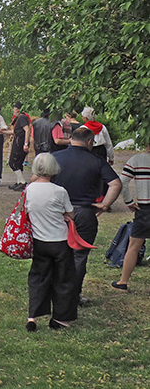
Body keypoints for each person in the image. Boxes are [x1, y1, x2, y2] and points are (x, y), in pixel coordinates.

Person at [52, 127, 121, 306]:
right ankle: (72, 296)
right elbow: (115, 184)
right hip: (84, 212)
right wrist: (105, 204)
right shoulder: (97, 161)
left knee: (56, 253)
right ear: (90, 142)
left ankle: (54, 292)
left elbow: (37, 179)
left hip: (58, 213)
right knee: (79, 256)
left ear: (71, 139)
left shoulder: (56, 158)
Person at [24, 153, 76, 331]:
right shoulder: (59, 191)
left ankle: (33, 316)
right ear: (54, 169)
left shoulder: (28, 190)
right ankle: (60, 318)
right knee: (63, 279)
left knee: (38, 277)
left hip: (39, 241)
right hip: (60, 241)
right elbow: (70, 214)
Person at [112, 141, 150, 291]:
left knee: (134, 245)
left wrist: (129, 201)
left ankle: (123, 281)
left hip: (144, 208)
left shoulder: (136, 160)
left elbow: (123, 182)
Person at [8, 102, 32, 191]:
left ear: (18, 109)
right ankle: (19, 182)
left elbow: (27, 130)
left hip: (20, 142)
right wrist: (1, 131)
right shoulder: (19, 118)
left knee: (13, 162)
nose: (13, 110)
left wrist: (26, 144)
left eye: (14, 108)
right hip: (18, 140)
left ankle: (22, 182)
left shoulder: (22, 118)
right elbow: (15, 132)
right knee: (18, 162)